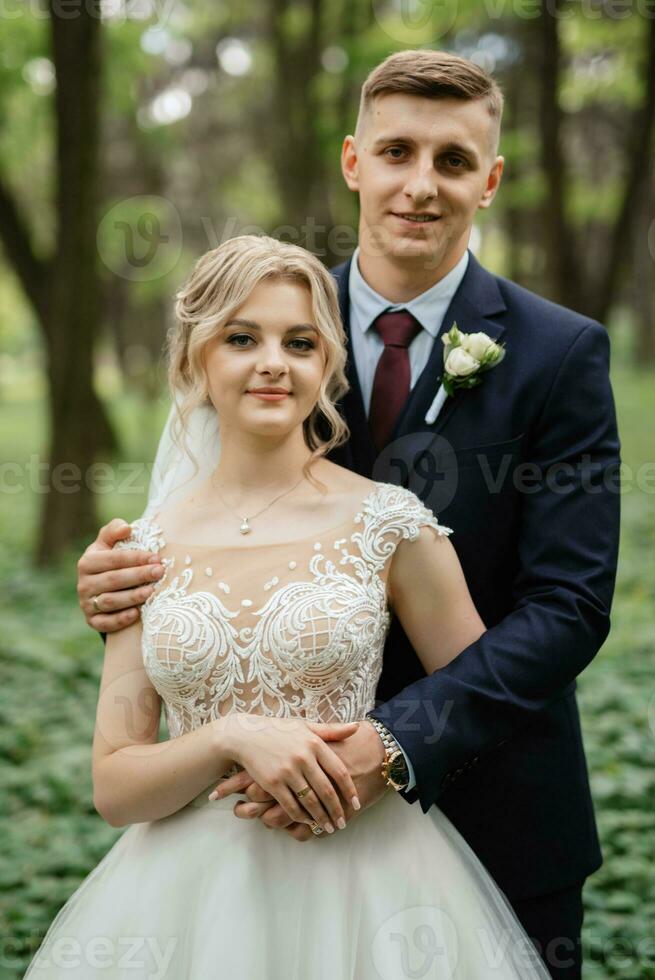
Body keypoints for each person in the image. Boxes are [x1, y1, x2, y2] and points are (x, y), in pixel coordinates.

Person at [75, 50, 621, 979]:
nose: (419, 184)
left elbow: (568, 605)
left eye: (452, 161)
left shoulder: (557, 354)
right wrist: (122, 583)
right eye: (396, 151)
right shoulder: (271, 317)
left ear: (488, 181)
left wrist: (395, 743)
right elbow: (211, 524)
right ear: (351, 161)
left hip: (486, 813)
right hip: (236, 832)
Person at [26, 234, 554, 979]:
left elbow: (479, 704)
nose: (273, 361)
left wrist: (382, 755)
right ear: (193, 361)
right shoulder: (140, 549)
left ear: (325, 367)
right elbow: (115, 786)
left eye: (299, 341)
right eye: (242, 338)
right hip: (181, 907)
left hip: (372, 887)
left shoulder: (389, 522)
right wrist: (227, 737)